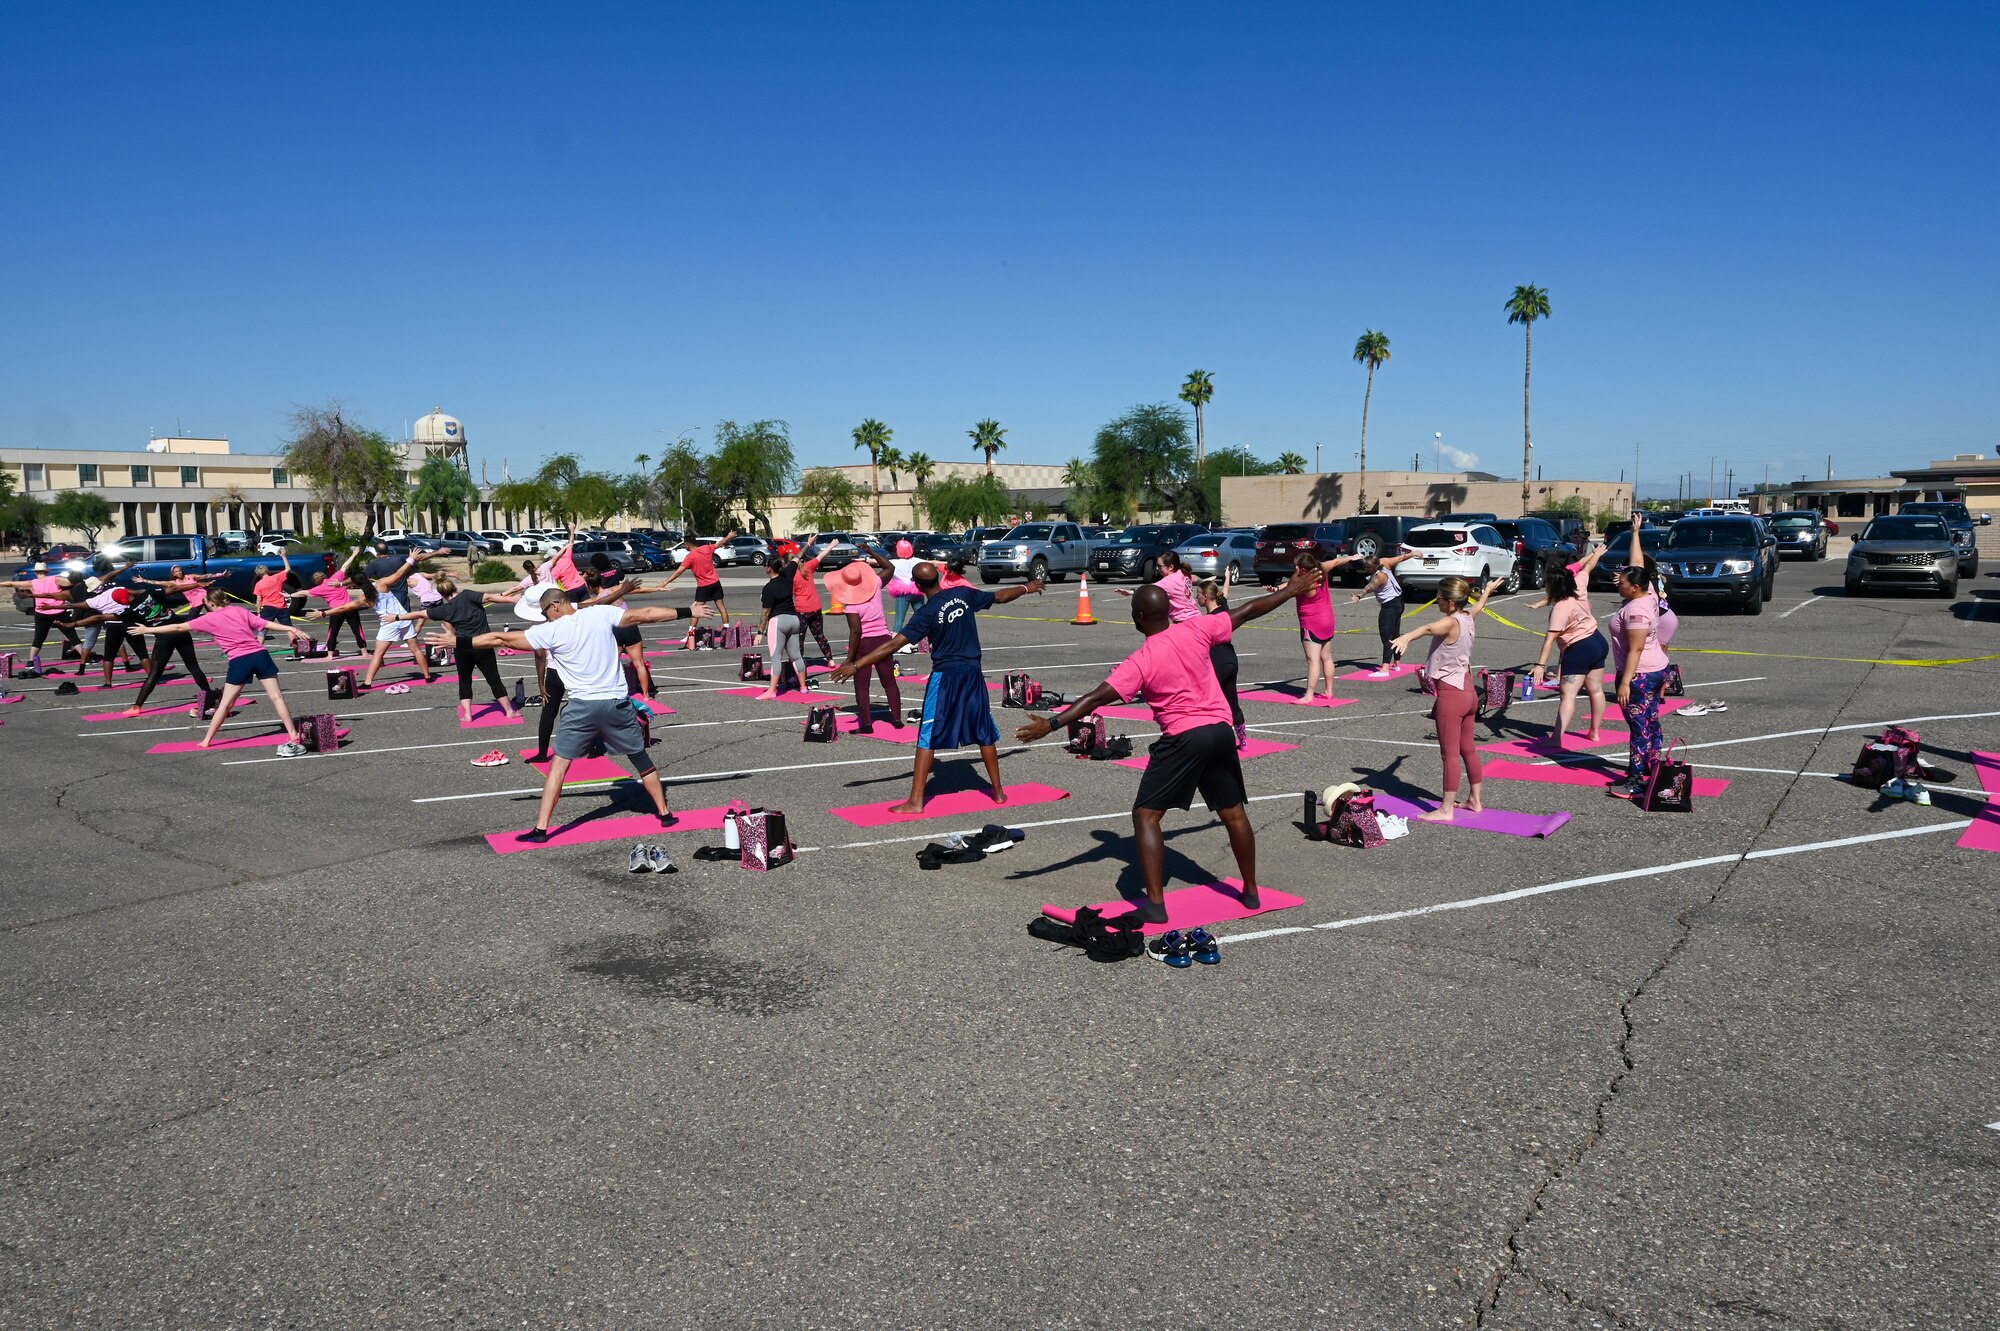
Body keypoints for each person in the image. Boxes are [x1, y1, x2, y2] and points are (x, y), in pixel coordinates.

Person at [1014, 567, 1323, 924]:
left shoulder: (1141, 661)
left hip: (1185, 737)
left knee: (1146, 815)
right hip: (1222, 731)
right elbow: (1249, 609)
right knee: (1233, 812)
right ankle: (1251, 891)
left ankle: (1156, 906)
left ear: (1140, 617)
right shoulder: (1196, 628)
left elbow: (1096, 697)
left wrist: (1052, 723)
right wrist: (1290, 590)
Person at [468, 584, 708, 843]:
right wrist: (688, 610)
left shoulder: (551, 629)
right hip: (616, 703)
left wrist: (459, 641)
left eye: (545, 613)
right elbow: (646, 613)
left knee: (558, 768)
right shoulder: (600, 614)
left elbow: (501, 639)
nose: (545, 618)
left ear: (554, 607)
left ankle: (541, 830)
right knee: (640, 758)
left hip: (583, 708)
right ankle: (664, 813)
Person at [830, 564, 1045, 812]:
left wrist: (855, 665)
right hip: (973, 673)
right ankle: (998, 792)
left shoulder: (927, 612)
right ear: (939, 578)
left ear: (917, 586)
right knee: (982, 729)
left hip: (946, 677)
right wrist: (1026, 587)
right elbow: (1000, 596)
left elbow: (892, 645)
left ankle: (916, 801)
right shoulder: (964, 594)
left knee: (927, 734)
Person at [131, 601, 317, 754]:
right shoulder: (239, 610)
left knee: (226, 704)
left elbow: (179, 626)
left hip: (240, 661)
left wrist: (147, 630)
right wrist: (290, 629)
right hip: (260, 656)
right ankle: (293, 733)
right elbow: (265, 624)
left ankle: (206, 740)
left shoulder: (208, 618)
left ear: (210, 604)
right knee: (277, 697)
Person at [1390, 575, 1499, 822]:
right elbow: (1479, 606)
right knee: (1468, 749)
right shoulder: (1468, 616)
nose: (1436, 601)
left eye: (1439, 597)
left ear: (1450, 602)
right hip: (1469, 692)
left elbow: (1428, 629)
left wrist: (1405, 637)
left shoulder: (1450, 622)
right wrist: (1486, 592)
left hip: (1452, 695)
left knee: (1449, 754)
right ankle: (1475, 801)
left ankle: (1446, 809)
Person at [384, 575, 522, 725]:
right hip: (483, 645)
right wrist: (512, 599)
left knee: (464, 681)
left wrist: (396, 617)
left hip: (461, 647)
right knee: (494, 680)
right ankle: (509, 711)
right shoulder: (468, 595)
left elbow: (419, 614)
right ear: (454, 587)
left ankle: (468, 715)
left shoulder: (445, 609)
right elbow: (489, 597)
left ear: (442, 594)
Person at [1606, 562, 1674, 800]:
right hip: (1655, 669)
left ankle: (1635, 781)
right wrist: (1635, 532)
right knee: (1650, 721)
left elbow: (1635, 649)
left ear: (1635, 587)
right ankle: (1653, 765)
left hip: (1640, 674)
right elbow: (1638, 566)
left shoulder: (1637, 612)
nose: (1618, 585)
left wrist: (1625, 682)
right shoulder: (1650, 595)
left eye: (1622, 583)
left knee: (1639, 728)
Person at [1527, 562, 1609, 745]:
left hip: (1580, 648)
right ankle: (1594, 732)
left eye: (1546, 583)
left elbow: (1549, 639)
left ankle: (1556, 738)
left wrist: (1540, 665)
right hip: (1598, 641)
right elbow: (1586, 569)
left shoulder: (1561, 608)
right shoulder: (1578, 588)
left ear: (1553, 586)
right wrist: (1596, 554)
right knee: (1595, 690)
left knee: (1567, 695)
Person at [122, 566, 222, 714]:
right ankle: (210, 695)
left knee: (155, 673)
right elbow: (171, 589)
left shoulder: (129, 612)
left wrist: (76, 623)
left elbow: (104, 617)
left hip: (165, 637)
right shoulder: (149, 594)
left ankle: (137, 706)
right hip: (180, 631)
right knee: (193, 666)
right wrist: (198, 584)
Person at [827, 558, 903, 732]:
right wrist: (871, 552)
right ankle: (897, 719)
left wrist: (849, 659)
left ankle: (867, 724)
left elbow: (856, 632)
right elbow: (889, 567)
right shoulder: (875, 584)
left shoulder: (851, 605)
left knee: (862, 685)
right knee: (889, 682)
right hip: (883, 639)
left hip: (864, 644)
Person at [359, 546, 440, 688]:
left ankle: (367, 682)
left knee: (378, 654)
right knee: (415, 649)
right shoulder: (395, 564)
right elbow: (401, 572)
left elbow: (344, 606)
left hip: (389, 620)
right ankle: (427, 676)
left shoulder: (375, 586)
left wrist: (324, 612)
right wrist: (413, 559)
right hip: (403, 612)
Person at [1293, 549, 1359, 704]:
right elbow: (1336, 561)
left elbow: (1288, 588)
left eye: (1296, 567)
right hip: (1328, 620)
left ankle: (1309, 695)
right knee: (1327, 657)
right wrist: (1351, 557)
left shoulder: (1306, 583)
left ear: (1303, 569)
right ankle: (1329, 691)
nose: (1294, 569)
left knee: (1313, 660)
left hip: (1312, 623)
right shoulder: (1321, 569)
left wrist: (1275, 590)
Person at [1194, 575, 1248, 749]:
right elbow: (1224, 593)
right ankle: (1244, 741)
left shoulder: (1207, 621)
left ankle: (1217, 740)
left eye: (1198, 595)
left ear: (1206, 597)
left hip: (1217, 662)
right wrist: (1226, 577)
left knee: (1212, 704)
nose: (1197, 598)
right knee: (1232, 701)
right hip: (1231, 660)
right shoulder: (1224, 610)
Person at [1345, 553, 1416, 676]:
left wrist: (1358, 596)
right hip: (1398, 602)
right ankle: (1397, 664)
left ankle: (1384, 669)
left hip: (1389, 606)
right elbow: (1400, 557)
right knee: (1395, 634)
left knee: (1386, 638)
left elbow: (1368, 587)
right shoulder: (1385, 562)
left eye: (1366, 568)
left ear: (1372, 568)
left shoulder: (1379, 577)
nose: (1365, 570)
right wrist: (1413, 554)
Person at [8, 564, 79, 670]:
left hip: (42, 613)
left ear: (36, 572)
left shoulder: (32, 583)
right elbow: (73, 582)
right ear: (47, 571)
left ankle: (31, 661)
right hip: (59, 610)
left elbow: (10, 583)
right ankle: (85, 657)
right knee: (72, 636)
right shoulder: (56, 579)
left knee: (38, 638)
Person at [757, 558, 811, 698]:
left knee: (776, 657)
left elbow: (766, 612)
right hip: (794, 620)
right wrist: (809, 544)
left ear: (769, 568)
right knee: (796, 656)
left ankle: (771, 691)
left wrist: (760, 632)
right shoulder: (787, 576)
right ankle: (803, 686)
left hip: (778, 622)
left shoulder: (768, 588)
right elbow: (797, 557)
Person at [301, 546, 369, 656]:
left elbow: (303, 593)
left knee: (332, 633)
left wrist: (289, 594)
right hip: (350, 608)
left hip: (336, 611)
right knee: (357, 630)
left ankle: (330, 655)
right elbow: (345, 566)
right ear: (324, 576)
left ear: (315, 582)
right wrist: (354, 554)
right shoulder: (336, 578)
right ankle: (364, 652)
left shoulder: (318, 588)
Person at [660, 528, 735, 623]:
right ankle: (727, 630)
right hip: (715, 583)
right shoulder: (706, 548)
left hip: (704, 586)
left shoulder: (690, 557)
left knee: (696, 610)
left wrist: (665, 582)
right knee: (722, 608)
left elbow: (678, 572)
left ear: (687, 545)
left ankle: (691, 634)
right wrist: (729, 536)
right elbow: (719, 544)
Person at [790, 550, 835, 662]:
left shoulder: (791, 575)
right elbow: (821, 556)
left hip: (802, 610)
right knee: (820, 636)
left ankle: (798, 662)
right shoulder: (808, 567)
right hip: (815, 608)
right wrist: (832, 546)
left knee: (799, 638)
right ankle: (830, 660)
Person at [252, 550, 294, 624]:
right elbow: (288, 569)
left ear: (258, 574)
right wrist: (284, 556)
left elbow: (259, 600)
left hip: (268, 608)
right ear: (267, 571)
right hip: (281, 606)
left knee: (263, 629)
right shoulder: (277, 577)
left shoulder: (258, 584)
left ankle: (261, 636)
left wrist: (258, 612)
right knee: (288, 628)